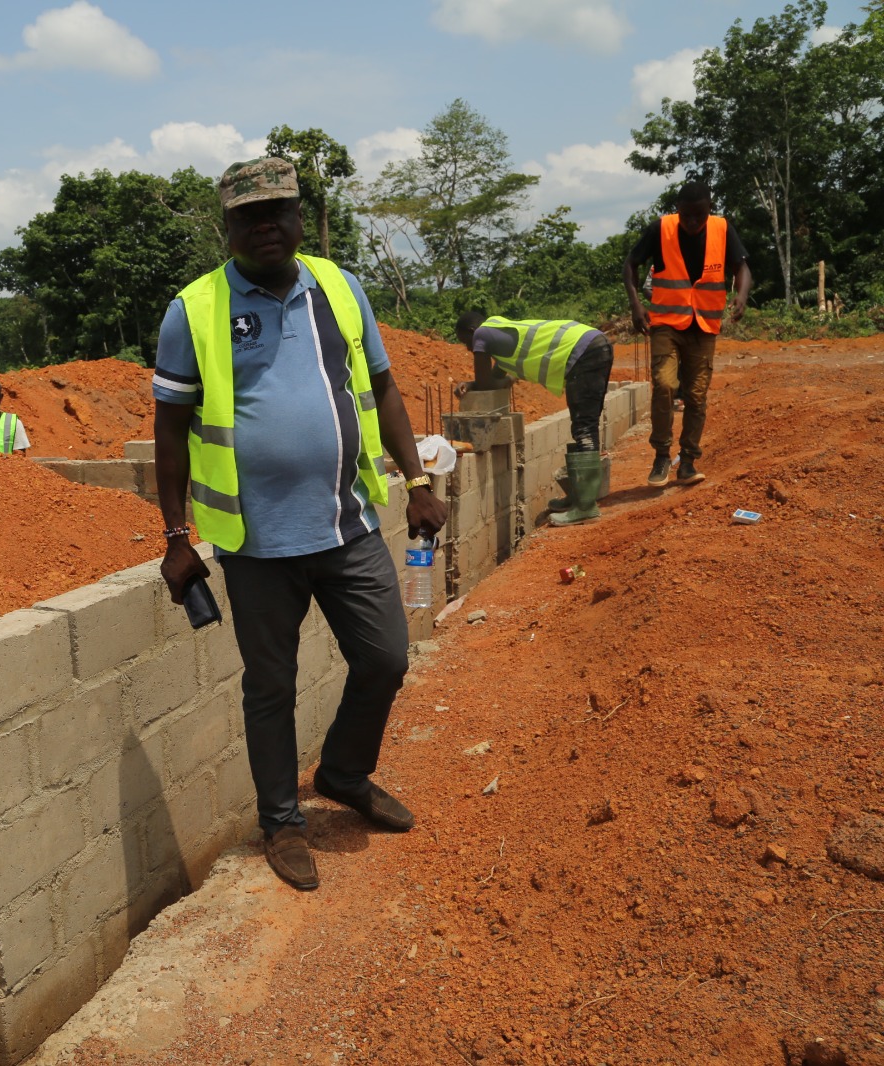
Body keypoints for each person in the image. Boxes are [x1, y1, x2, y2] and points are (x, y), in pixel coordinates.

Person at [152, 157, 448, 892]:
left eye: (278, 211)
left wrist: (416, 481)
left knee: (385, 658)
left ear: (297, 214)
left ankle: (344, 774)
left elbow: (380, 386)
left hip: (347, 523)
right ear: (227, 228)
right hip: (257, 542)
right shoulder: (195, 309)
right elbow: (169, 425)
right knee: (271, 686)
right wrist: (175, 537)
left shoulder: (340, 288)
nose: (265, 226)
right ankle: (283, 821)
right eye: (248, 217)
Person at [623, 181, 752, 487]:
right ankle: (661, 456)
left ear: (709, 209)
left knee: (696, 396)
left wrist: (742, 295)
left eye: (699, 215)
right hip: (666, 322)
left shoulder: (722, 229)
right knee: (665, 385)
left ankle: (688, 462)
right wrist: (635, 305)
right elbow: (631, 264)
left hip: (704, 326)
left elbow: (742, 266)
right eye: (687, 216)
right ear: (677, 210)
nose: (693, 222)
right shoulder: (661, 228)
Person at [453, 311, 614, 524]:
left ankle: (585, 507)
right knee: (583, 424)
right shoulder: (499, 335)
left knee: (584, 427)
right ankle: (580, 499)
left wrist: (488, 383)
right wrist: (476, 384)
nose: (468, 348)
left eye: (466, 341)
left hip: (584, 352)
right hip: (590, 346)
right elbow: (492, 380)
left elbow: (487, 383)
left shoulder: (481, 335)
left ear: (473, 332)